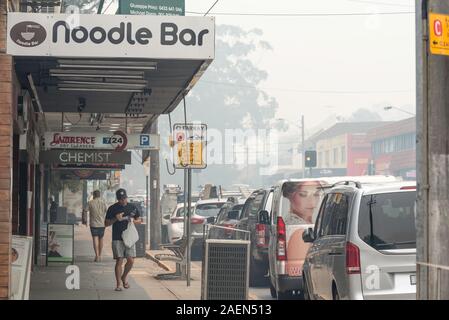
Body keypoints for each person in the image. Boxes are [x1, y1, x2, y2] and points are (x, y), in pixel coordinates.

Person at [282, 180, 323, 277]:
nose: (312, 202)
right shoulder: (299, 232)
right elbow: (298, 273)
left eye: (316, 195)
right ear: (290, 196)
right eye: (303, 195)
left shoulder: (313, 222)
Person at [105, 188, 141, 291]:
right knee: (119, 260)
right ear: (117, 199)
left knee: (130, 260)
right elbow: (106, 223)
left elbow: (139, 220)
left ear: (126, 197)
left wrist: (132, 220)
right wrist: (116, 218)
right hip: (117, 237)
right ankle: (118, 284)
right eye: (121, 199)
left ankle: (124, 277)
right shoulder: (112, 208)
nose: (123, 200)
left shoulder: (132, 207)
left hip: (129, 238)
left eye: (124, 198)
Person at [82, 190, 107, 262]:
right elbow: (107, 211)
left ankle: (97, 256)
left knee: (95, 239)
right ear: (99, 195)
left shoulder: (90, 202)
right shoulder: (103, 202)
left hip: (93, 224)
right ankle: (100, 255)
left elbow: (84, 211)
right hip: (102, 224)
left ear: (94, 195)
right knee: (101, 239)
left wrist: (85, 220)